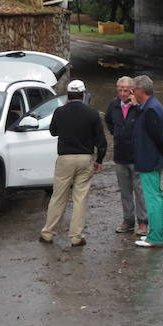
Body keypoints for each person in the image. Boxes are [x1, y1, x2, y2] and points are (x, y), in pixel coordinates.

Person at [39, 79, 107, 247]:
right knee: (80, 198)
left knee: (58, 197)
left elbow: (53, 132)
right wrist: (99, 160)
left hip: (65, 159)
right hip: (85, 159)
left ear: (68, 95)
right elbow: (102, 142)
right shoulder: (92, 114)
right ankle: (76, 237)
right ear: (84, 95)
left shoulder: (59, 111)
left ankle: (48, 233)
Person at [130, 75, 163, 248]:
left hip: (149, 159)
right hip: (152, 158)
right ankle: (158, 233)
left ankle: (155, 237)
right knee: (155, 197)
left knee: (153, 198)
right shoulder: (151, 107)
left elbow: (159, 138)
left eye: (133, 89)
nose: (132, 93)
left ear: (141, 90)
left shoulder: (150, 110)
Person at [105, 76, 148, 236]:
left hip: (137, 156)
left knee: (140, 191)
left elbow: (147, 122)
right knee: (125, 191)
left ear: (132, 90)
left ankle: (143, 222)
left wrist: (136, 105)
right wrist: (116, 133)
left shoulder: (139, 106)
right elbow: (108, 120)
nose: (122, 93)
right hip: (120, 155)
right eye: (120, 89)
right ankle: (128, 221)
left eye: (126, 90)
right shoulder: (113, 105)